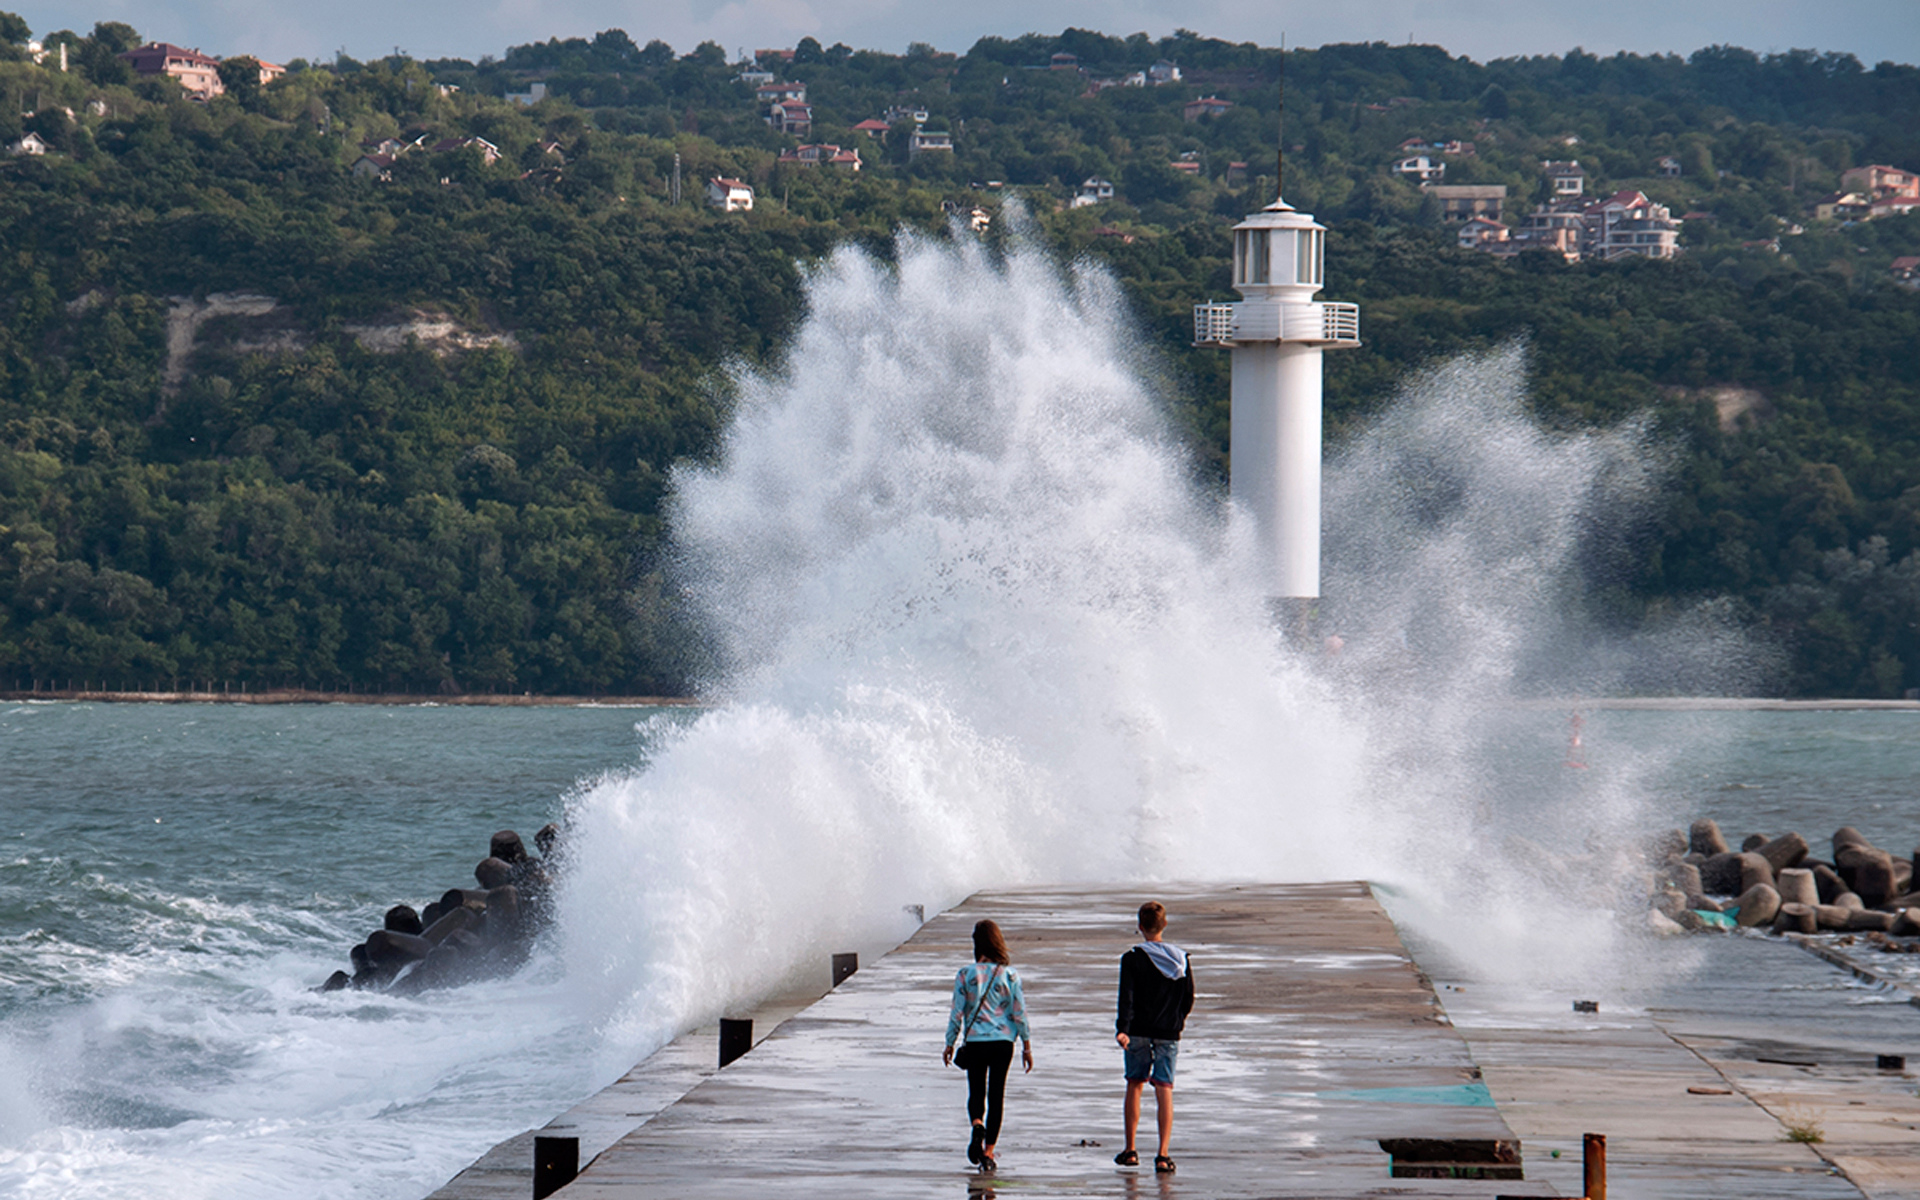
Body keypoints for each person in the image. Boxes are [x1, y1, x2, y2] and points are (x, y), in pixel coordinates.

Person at [942, 918, 1033, 1173]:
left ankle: (976, 1124)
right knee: (996, 1095)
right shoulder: (1010, 975)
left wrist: (950, 1043)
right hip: (1003, 1043)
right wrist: (1026, 1045)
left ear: (976, 944)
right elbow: (1019, 1013)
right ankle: (989, 1152)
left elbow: (956, 1013)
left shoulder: (965, 974)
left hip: (975, 1042)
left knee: (976, 1090)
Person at [1114, 900, 1193, 1174]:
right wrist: (1176, 1022)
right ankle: (1162, 1154)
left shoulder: (1132, 958)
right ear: (1165, 925)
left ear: (1140, 927)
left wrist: (1122, 1028)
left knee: (1134, 1084)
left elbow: (1126, 997)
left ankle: (1131, 1149)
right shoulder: (1180, 959)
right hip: (1168, 1031)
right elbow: (1188, 998)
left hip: (1137, 1030)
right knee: (1164, 1089)